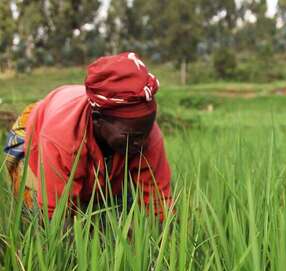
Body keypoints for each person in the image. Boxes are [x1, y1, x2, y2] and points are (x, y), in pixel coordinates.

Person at [4, 52, 173, 220]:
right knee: (39, 216)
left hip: (87, 143)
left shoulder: (144, 132)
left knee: (117, 218)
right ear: (98, 119)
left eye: (146, 133)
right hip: (35, 133)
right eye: (132, 136)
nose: (142, 143)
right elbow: (54, 218)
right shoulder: (63, 138)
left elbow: (159, 202)